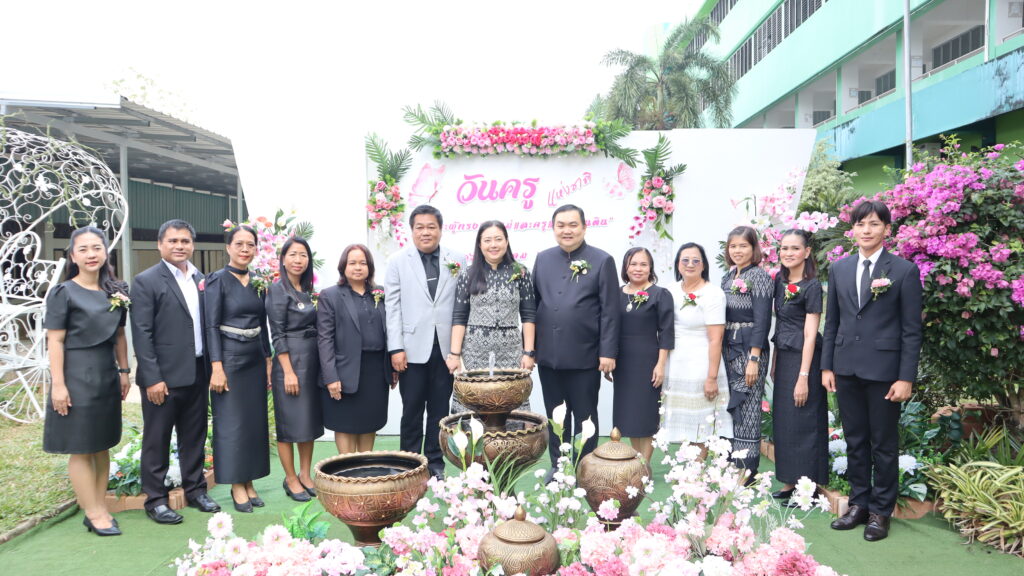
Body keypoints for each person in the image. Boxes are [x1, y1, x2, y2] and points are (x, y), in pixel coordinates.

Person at [822, 200, 922, 542]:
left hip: (885, 372)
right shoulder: (839, 269)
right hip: (846, 368)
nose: (866, 230)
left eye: (874, 224)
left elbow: (911, 330)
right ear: (853, 229)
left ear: (886, 229)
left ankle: (881, 512)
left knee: (883, 443)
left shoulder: (904, 271)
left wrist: (905, 377)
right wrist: (827, 366)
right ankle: (859, 504)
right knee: (855, 440)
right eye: (861, 224)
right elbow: (832, 322)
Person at [130, 219, 221, 525]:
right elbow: (142, 333)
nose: (179, 246)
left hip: (197, 370)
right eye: (173, 241)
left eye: (185, 241)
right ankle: (155, 500)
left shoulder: (201, 279)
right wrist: (153, 378)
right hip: (163, 377)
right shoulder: (146, 281)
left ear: (192, 245)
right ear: (160, 245)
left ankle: (195, 490)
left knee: (194, 435)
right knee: (157, 439)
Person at [44, 226, 131, 536]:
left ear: (105, 252)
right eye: (83, 249)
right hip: (76, 374)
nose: (91, 254)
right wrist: (58, 384)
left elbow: (119, 335)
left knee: (102, 443)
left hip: (106, 374)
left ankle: (100, 505)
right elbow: (55, 341)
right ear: (73, 256)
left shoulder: (116, 291)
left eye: (97, 247)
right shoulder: (63, 292)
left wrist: (124, 371)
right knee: (81, 447)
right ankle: (93, 512)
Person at [533, 204, 620, 467]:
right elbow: (534, 305)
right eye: (561, 225)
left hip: (586, 355)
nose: (567, 230)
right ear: (553, 228)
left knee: (585, 417)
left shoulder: (602, 260)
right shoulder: (543, 259)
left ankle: (584, 467)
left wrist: (608, 352)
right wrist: (531, 348)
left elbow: (610, 311)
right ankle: (558, 468)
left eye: (573, 224)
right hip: (549, 355)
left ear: (584, 227)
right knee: (556, 416)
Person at [385, 205, 466, 480]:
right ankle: (408, 464)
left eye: (431, 226)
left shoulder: (457, 259)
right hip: (410, 350)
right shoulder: (397, 261)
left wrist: (458, 350)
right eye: (419, 227)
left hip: (446, 351)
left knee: (439, 411)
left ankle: (435, 463)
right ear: (412, 230)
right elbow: (392, 308)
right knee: (411, 410)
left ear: (440, 229)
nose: (425, 232)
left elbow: (462, 306)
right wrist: (396, 348)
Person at [204, 224, 272, 513]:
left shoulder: (259, 281)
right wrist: (216, 367)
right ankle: (236, 484)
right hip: (229, 359)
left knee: (254, 423)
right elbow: (210, 326)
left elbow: (264, 324)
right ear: (228, 247)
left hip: (255, 358)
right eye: (239, 244)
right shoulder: (216, 280)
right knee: (232, 423)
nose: (245, 249)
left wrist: (267, 360)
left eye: (250, 245)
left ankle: (250, 480)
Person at [445, 221, 536, 413]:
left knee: (510, 402)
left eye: (498, 239)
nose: (493, 245)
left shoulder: (520, 272)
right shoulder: (468, 274)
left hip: (511, 351)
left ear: (506, 241)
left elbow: (528, 315)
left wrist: (528, 353)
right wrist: (454, 355)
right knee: (473, 402)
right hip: (474, 351)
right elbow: (460, 316)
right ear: (480, 244)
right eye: (487, 240)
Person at [319, 244, 396, 453]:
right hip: (344, 370)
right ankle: (348, 469)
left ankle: (364, 466)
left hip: (376, 371)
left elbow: (391, 330)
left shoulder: (381, 293)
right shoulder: (330, 295)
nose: (358, 267)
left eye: (363, 263)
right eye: (352, 263)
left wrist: (391, 368)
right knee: (345, 424)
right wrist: (330, 377)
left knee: (369, 423)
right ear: (343, 267)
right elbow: (324, 339)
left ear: (369, 267)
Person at [769, 229, 827, 504]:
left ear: (807, 252)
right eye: (784, 248)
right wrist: (774, 361)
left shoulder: (812, 286)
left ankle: (808, 488)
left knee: (804, 421)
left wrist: (803, 376)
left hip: (804, 360)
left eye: (795, 248)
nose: (788, 253)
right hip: (783, 357)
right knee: (785, 422)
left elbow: (810, 334)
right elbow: (780, 324)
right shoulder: (779, 282)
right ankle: (790, 481)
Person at [266, 236, 323, 502]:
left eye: (303, 255)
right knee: (289, 424)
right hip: (289, 363)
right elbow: (277, 334)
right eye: (293, 254)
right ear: (283, 259)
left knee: (307, 421)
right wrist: (288, 371)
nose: (298, 260)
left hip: (311, 362)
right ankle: (290, 478)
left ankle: (305, 474)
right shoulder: (278, 290)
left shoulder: (309, 289)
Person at [662, 243, 732, 446]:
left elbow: (716, 339)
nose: (690, 264)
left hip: (701, 363)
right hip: (675, 363)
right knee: (680, 423)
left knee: (702, 420)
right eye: (685, 260)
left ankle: (698, 465)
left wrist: (711, 377)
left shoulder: (713, 293)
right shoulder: (670, 290)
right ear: (678, 264)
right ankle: (685, 464)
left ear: (704, 265)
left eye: (695, 260)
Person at [610, 247, 673, 463]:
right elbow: (609, 328)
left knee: (646, 415)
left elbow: (666, 332)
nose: (638, 268)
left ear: (650, 268)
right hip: (622, 363)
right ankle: (636, 461)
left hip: (648, 360)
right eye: (633, 264)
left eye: (643, 264)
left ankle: (645, 466)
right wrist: (609, 358)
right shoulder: (615, 294)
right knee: (629, 415)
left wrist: (661, 364)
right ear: (625, 267)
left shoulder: (660, 294)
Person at [720, 225, 773, 480]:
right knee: (731, 407)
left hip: (750, 350)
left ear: (754, 248)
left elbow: (762, 321)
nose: (737, 250)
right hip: (728, 349)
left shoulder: (760, 277)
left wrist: (754, 358)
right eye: (733, 246)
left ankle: (746, 469)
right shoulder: (727, 277)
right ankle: (730, 464)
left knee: (749, 407)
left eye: (743, 245)